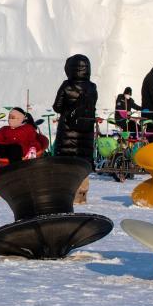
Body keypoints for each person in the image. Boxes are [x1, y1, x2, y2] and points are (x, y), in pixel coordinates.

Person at [53, 54, 98, 204]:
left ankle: (68, 194)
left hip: (68, 131)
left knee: (66, 164)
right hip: (86, 133)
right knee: (82, 163)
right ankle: (82, 195)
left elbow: (57, 107)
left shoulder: (67, 85)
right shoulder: (92, 87)